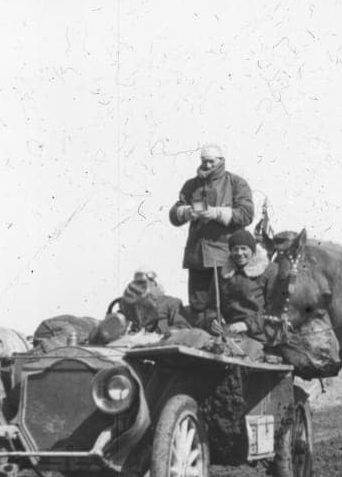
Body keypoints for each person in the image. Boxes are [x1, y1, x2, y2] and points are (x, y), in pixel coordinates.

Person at [168, 144, 255, 323]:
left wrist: (217, 213)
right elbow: (174, 214)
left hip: (225, 256)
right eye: (203, 161)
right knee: (198, 307)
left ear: (221, 161)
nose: (207, 165)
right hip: (197, 257)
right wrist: (186, 212)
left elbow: (246, 214)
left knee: (227, 304)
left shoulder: (236, 183)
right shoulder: (191, 185)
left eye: (211, 161)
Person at [198, 229, 274, 353]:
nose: (239, 253)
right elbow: (210, 307)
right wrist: (212, 321)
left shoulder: (268, 271)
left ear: (253, 251)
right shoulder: (221, 273)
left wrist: (247, 325)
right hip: (228, 334)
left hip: (257, 335)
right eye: (235, 249)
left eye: (244, 248)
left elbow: (273, 312)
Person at [89, 269, 191, 346]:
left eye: (143, 283)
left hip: (156, 346)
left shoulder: (172, 303)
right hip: (125, 345)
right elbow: (112, 326)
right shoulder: (129, 304)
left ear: (155, 284)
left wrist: (162, 335)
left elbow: (182, 327)